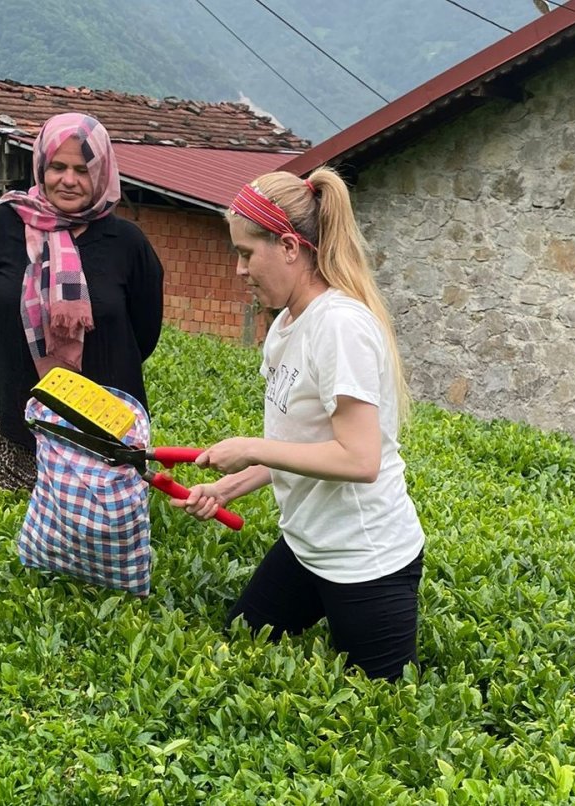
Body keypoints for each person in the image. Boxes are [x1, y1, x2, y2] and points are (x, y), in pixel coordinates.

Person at [172, 168, 425, 681]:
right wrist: (229, 487)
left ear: (289, 246)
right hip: (307, 545)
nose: (240, 269)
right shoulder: (287, 322)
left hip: (366, 560)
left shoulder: (340, 326)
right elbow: (302, 444)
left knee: (382, 710)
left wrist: (252, 447)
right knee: (240, 644)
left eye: (246, 253)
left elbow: (359, 459)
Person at [0, 113, 164, 491]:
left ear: (101, 173)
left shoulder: (127, 243)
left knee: (94, 539)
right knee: (11, 536)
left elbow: (144, 333)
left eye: (83, 169)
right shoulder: (4, 224)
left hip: (104, 429)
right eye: (58, 166)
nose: (69, 180)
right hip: (15, 421)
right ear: (40, 166)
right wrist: (13, 353)